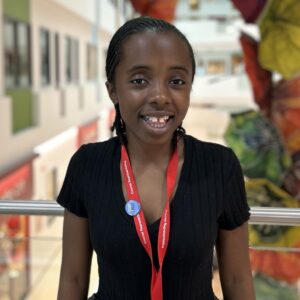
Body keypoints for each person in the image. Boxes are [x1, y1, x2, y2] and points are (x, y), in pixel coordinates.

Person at [57, 17, 255, 300]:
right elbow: (73, 279)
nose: (160, 96)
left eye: (176, 81)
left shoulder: (220, 166)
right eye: (139, 80)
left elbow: (237, 280)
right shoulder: (87, 165)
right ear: (113, 89)